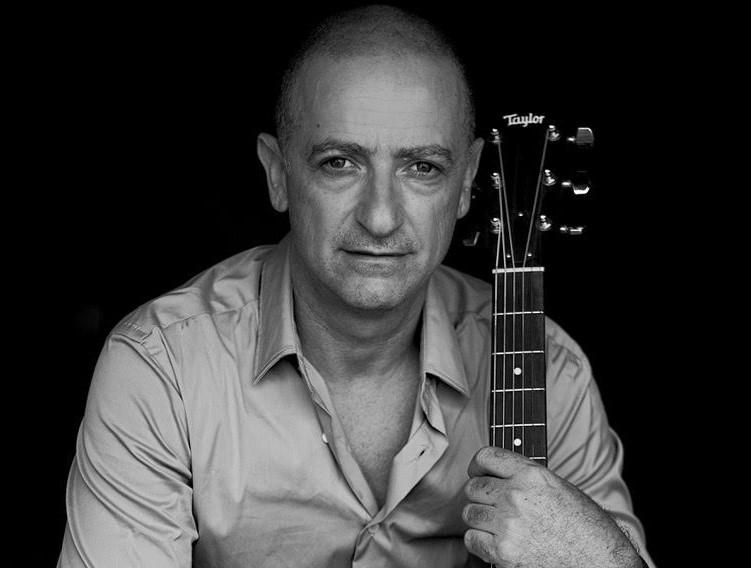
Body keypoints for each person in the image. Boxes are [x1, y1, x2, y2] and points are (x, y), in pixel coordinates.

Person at [57, 4, 654, 567]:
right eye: (340, 163)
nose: (381, 217)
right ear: (277, 174)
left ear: (467, 182)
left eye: (422, 168)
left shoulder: (549, 371)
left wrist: (598, 556)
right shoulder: (164, 368)